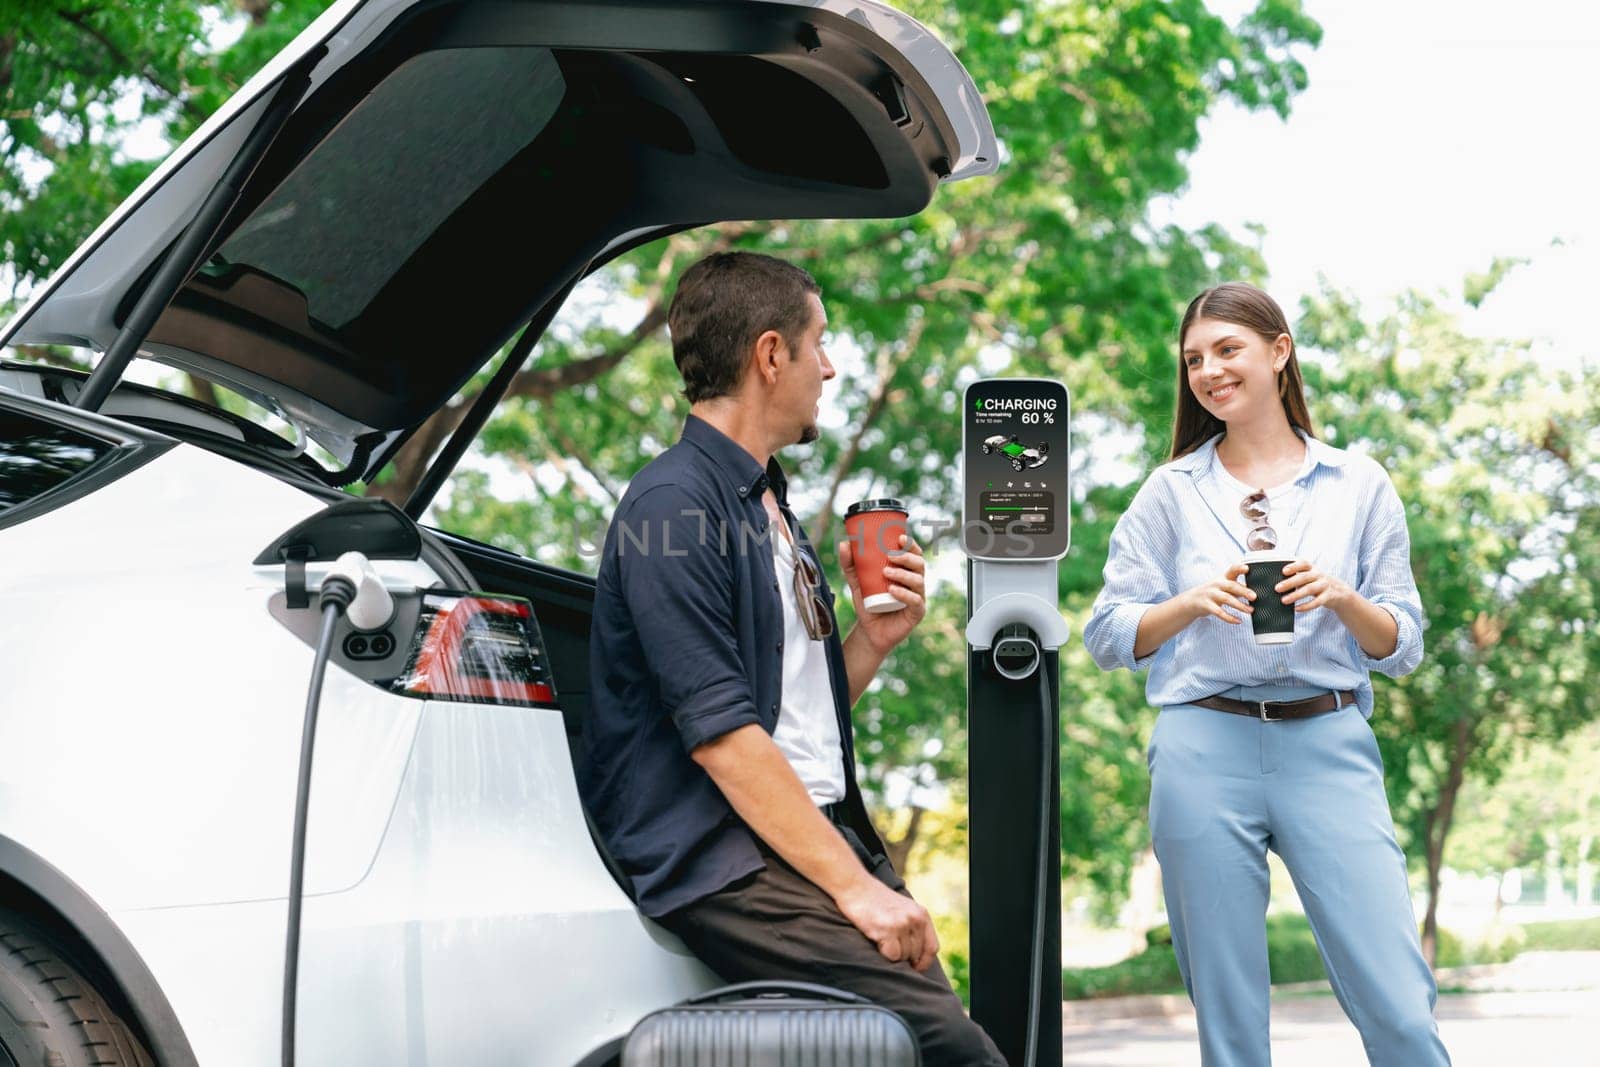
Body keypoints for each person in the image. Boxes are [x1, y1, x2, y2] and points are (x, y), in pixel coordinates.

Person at [580, 251, 1004, 1065]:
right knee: (952, 1047)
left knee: (912, 1039)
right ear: (772, 355)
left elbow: (791, 714)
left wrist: (870, 643)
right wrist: (854, 889)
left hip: (809, 832)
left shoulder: (766, 502)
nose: (833, 368)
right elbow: (723, 736)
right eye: (821, 345)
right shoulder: (673, 504)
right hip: (726, 855)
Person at [1083, 282, 1452, 1066]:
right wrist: (1187, 604)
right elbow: (1108, 632)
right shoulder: (1169, 492)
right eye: (1193, 359)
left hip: (1328, 738)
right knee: (1231, 1025)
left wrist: (1342, 596)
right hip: (1200, 743)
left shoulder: (1358, 484)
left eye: (1227, 349)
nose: (1209, 370)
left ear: (1279, 352)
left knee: (1400, 1008)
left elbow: (1405, 639)